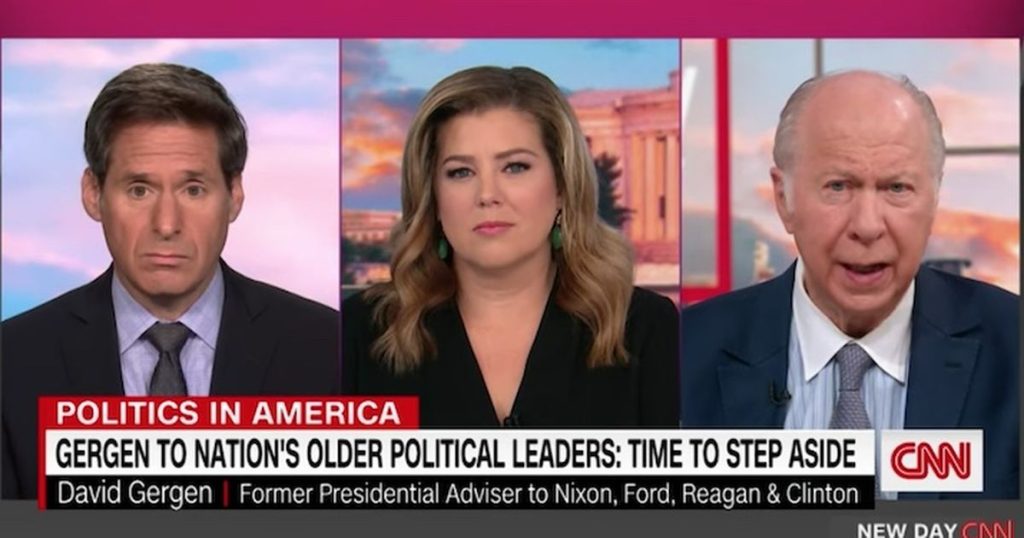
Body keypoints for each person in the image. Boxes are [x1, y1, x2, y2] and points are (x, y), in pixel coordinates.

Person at [1, 63, 340, 499]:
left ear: (234, 196)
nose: (166, 224)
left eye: (193, 189)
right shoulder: (14, 361)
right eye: (139, 190)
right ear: (93, 194)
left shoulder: (327, 351)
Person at [680, 70, 1018, 499]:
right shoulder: (686, 351)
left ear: (933, 199)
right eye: (838, 187)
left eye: (897, 188)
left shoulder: (1014, 348)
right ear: (783, 199)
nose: (867, 226)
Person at [342, 66, 679, 427]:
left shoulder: (645, 328)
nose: (488, 195)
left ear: (562, 186)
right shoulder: (361, 330)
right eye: (460, 172)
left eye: (515, 167)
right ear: (433, 197)